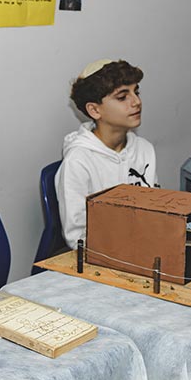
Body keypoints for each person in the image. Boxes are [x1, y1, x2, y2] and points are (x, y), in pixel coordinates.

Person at [55, 59, 158, 249]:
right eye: (122, 97)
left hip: (141, 246)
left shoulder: (144, 149)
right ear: (94, 110)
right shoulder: (78, 161)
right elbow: (77, 236)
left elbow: (154, 211)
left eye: (136, 92)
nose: (136, 102)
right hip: (102, 254)